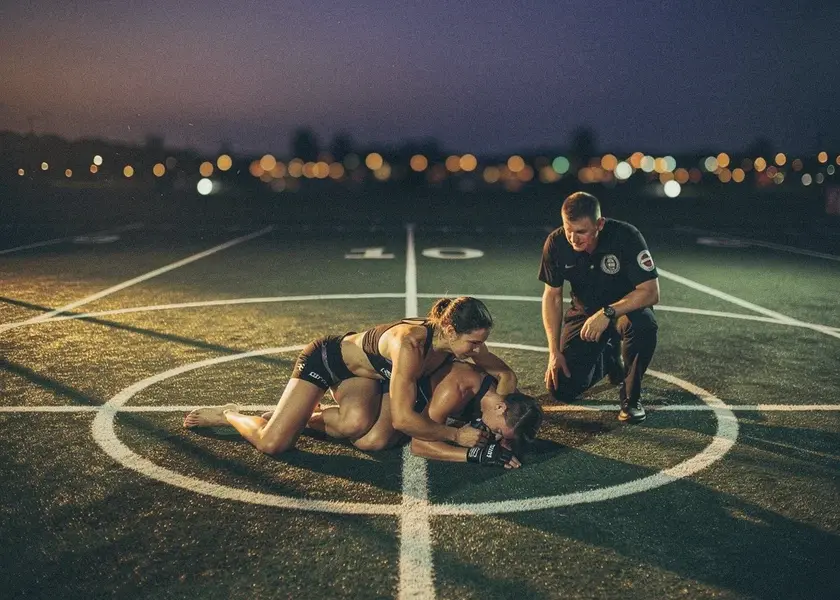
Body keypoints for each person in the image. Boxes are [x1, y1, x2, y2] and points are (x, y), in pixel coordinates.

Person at [184, 296, 517, 453]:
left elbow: (506, 375)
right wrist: (457, 436)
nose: (478, 351)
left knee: (362, 431)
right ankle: (230, 414)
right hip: (328, 361)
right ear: (448, 328)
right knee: (273, 444)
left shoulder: (462, 342)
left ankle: (300, 417)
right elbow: (402, 420)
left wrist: (506, 407)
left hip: (369, 376)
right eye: (473, 343)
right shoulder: (411, 346)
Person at [539, 191, 660, 422]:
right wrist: (554, 352)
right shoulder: (555, 243)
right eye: (568, 229)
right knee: (561, 387)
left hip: (625, 311)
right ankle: (610, 357)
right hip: (584, 314)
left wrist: (608, 313)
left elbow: (651, 292)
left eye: (581, 232)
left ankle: (631, 398)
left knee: (644, 325)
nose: (574, 239)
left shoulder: (626, 236)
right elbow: (552, 296)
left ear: (599, 224)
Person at [309, 359, 544, 468]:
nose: (496, 437)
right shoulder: (457, 388)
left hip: (407, 395)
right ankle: (307, 419)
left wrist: (507, 445)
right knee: (357, 427)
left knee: (374, 440)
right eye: (497, 432)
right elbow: (419, 446)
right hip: (375, 376)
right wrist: (474, 455)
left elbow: (519, 422)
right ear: (500, 407)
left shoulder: (507, 400)